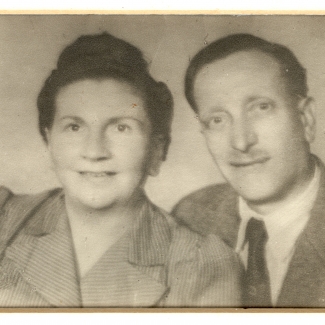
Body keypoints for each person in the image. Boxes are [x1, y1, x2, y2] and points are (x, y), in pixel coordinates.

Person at [0, 33, 241, 307]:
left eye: (121, 127)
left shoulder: (204, 265)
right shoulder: (5, 218)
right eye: (74, 127)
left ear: (157, 149)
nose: (95, 151)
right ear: (49, 141)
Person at [172, 33, 325, 307]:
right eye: (217, 120)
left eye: (261, 108)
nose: (241, 142)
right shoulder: (190, 217)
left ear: (306, 119)